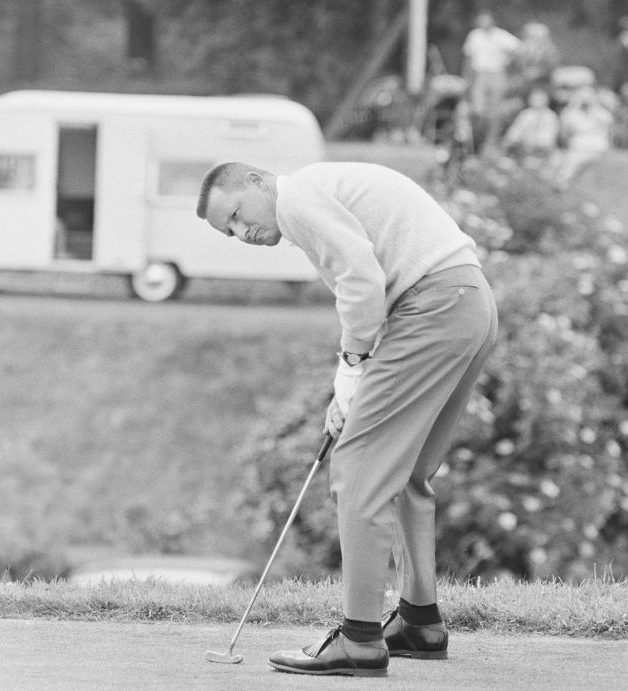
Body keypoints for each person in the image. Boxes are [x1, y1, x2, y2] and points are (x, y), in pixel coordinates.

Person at [196, 161, 498, 677]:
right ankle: (419, 623)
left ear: (258, 182)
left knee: (359, 468)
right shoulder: (316, 196)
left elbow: (361, 277)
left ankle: (359, 640)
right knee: (406, 473)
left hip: (433, 308)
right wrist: (349, 384)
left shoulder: (297, 199)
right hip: (468, 303)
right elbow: (368, 287)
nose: (241, 232)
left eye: (238, 215)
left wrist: (354, 366)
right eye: (229, 231)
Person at [462, 11, 520, 151]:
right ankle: (475, 140)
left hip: (497, 73)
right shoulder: (475, 36)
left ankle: (491, 141)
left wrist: (508, 65)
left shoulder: (501, 36)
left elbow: (518, 50)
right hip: (479, 74)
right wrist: (466, 77)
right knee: (478, 110)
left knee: (495, 111)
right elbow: (468, 58)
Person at [554, 86, 614, 190]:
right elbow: (563, 133)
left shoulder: (601, 113)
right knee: (568, 167)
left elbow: (608, 128)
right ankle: (562, 184)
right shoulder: (570, 113)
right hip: (578, 146)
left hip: (596, 148)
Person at [502, 87, 558, 168]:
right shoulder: (526, 114)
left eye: (540, 99)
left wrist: (535, 144)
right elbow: (514, 131)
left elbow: (549, 139)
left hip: (540, 149)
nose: (537, 101)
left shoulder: (551, 116)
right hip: (523, 147)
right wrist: (510, 141)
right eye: (534, 99)